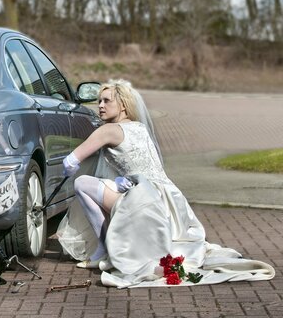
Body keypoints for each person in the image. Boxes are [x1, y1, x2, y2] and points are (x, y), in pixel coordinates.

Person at [58, 79, 274, 288]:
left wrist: (70, 168)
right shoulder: (140, 128)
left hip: (144, 202)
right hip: (171, 200)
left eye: (107, 101)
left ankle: (103, 249)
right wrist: (116, 181)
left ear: (123, 105)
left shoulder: (107, 130)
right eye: (99, 101)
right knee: (104, 184)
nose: (100, 106)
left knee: (83, 183)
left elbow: (70, 161)